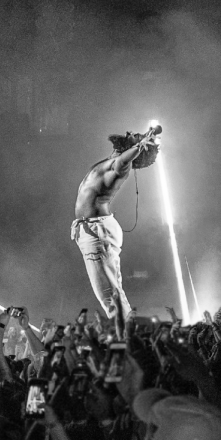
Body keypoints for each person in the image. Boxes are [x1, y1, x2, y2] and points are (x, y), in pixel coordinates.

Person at [72, 130, 158, 326]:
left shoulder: (121, 166)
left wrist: (139, 145)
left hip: (97, 232)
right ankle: (129, 337)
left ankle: (128, 343)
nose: (132, 132)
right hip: (94, 230)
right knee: (113, 294)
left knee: (110, 297)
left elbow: (124, 160)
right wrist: (143, 138)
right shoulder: (114, 160)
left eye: (136, 136)